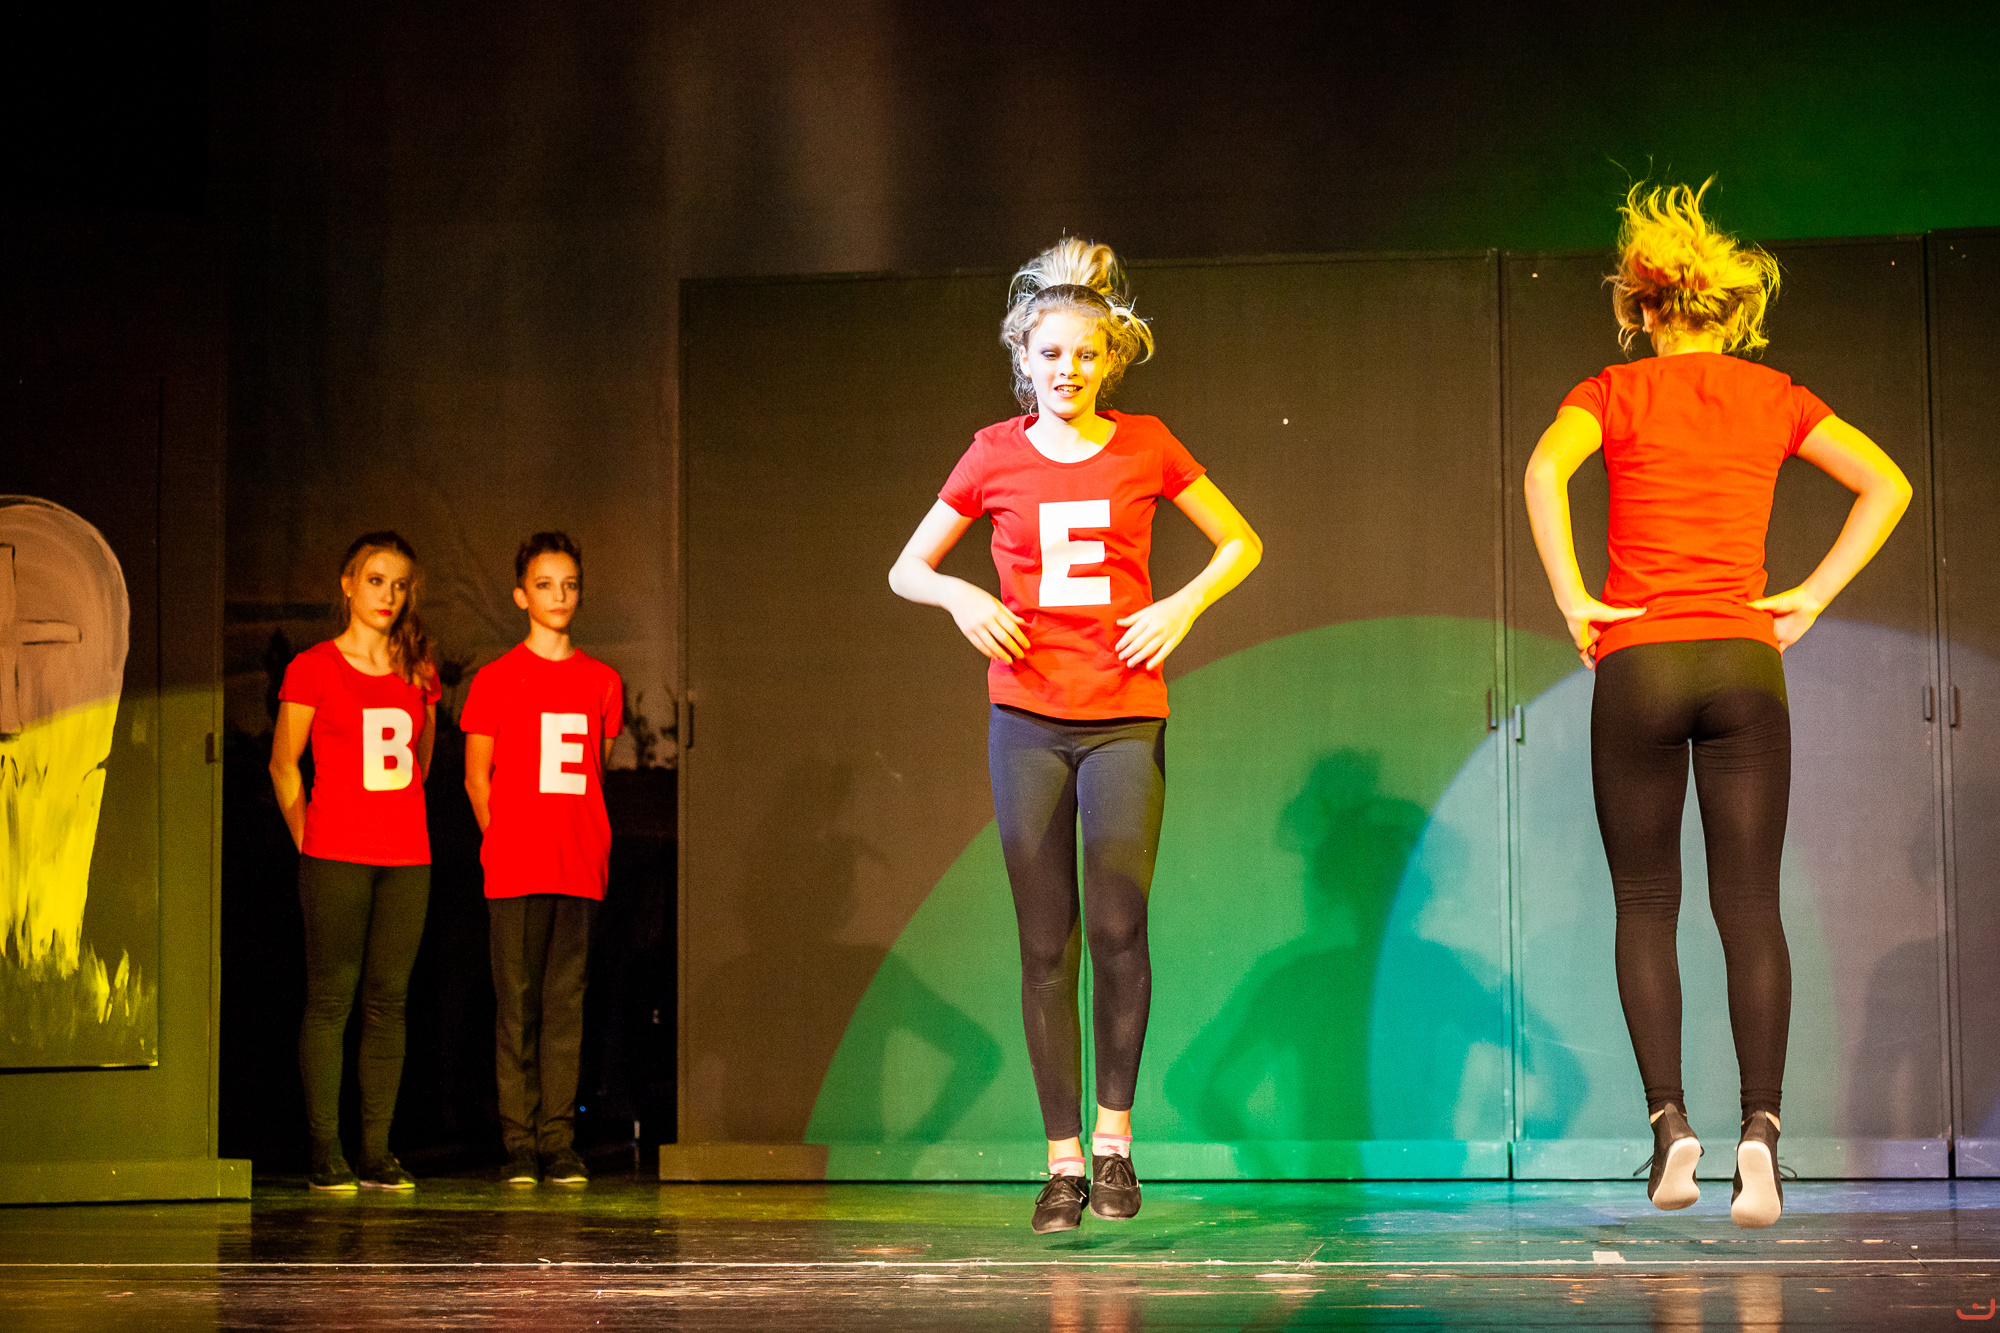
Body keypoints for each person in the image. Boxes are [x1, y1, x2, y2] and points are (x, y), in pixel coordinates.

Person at [1524, 181, 1912, 1228]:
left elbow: (1543, 473)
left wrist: (1572, 596)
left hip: (1639, 660)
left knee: (1645, 903)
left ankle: (1669, 1125)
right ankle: (1762, 1134)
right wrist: (1811, 594)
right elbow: (1886, 483)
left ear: (1641, 304)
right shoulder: (1774, 394)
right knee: (1749, 906)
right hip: (1745, 660)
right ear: (1728, 309)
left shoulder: (1608, 391)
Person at [889, 239, 1263, 1233]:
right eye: (1050, 354)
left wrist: (1181, 605)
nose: (1068, 369)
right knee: (1044, 942)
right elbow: (905, 568)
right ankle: (1059, 1165)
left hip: (1123, 716)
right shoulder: (992, 453)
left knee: (1119, 927)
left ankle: (1113, 1146)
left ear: (1109, 359)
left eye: (1085, 354)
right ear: (1023, 356)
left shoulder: (1145, 444)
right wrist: (961, 595)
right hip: (1025, 719)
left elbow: (1241, 540)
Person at [270, 531, 442, 1192]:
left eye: (399, 584)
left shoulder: (418, 669)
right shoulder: (314, 666)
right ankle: (325, 1151)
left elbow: (421, 762)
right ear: (348, 584)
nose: (387, 595)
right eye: (375, 580)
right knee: (330, 999)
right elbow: (283, 763)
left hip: (406, 857)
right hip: (335, 854)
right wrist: (309, 837)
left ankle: (376, 1151)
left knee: (388, 1002)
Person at [461, 532, 623, 1188]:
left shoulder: (602, 681)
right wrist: (504, 840)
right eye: (545, 584)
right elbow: (476, 778)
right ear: (520, 595)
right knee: (516, 1008)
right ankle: (519, 1143)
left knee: (565, 1008)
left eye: (570, 584)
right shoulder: (495, 679)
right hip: (515, 866)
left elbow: (595, 772)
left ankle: (558, 1141)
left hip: (578, 864)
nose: (559, 596)